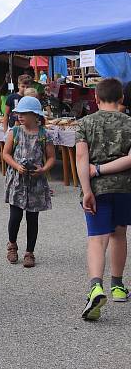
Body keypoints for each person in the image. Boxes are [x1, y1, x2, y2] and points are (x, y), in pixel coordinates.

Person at [75, 78, 131, 320]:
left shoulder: (85, 123)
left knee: (97, 240)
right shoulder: (130, 123)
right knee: (119, 234)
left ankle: (96, 287)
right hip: (125, 188)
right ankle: (118, 286)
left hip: (97, 190)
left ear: (96, 99)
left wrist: (87, 190)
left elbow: (80, 159)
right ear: (121, 99)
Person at [1, 96, 55, 268]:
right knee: (15, 216)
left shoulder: (43, 135)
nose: (20, 116)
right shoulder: (14, 132)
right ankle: (12, 245)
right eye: (18, 113)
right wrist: (17, 166)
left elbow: (52, 157)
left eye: (24, 113)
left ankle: (30, 252)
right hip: (17, 181)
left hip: (36, 182)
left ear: (35, 115)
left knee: (33, 219)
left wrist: (43, 170)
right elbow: (6, 154)